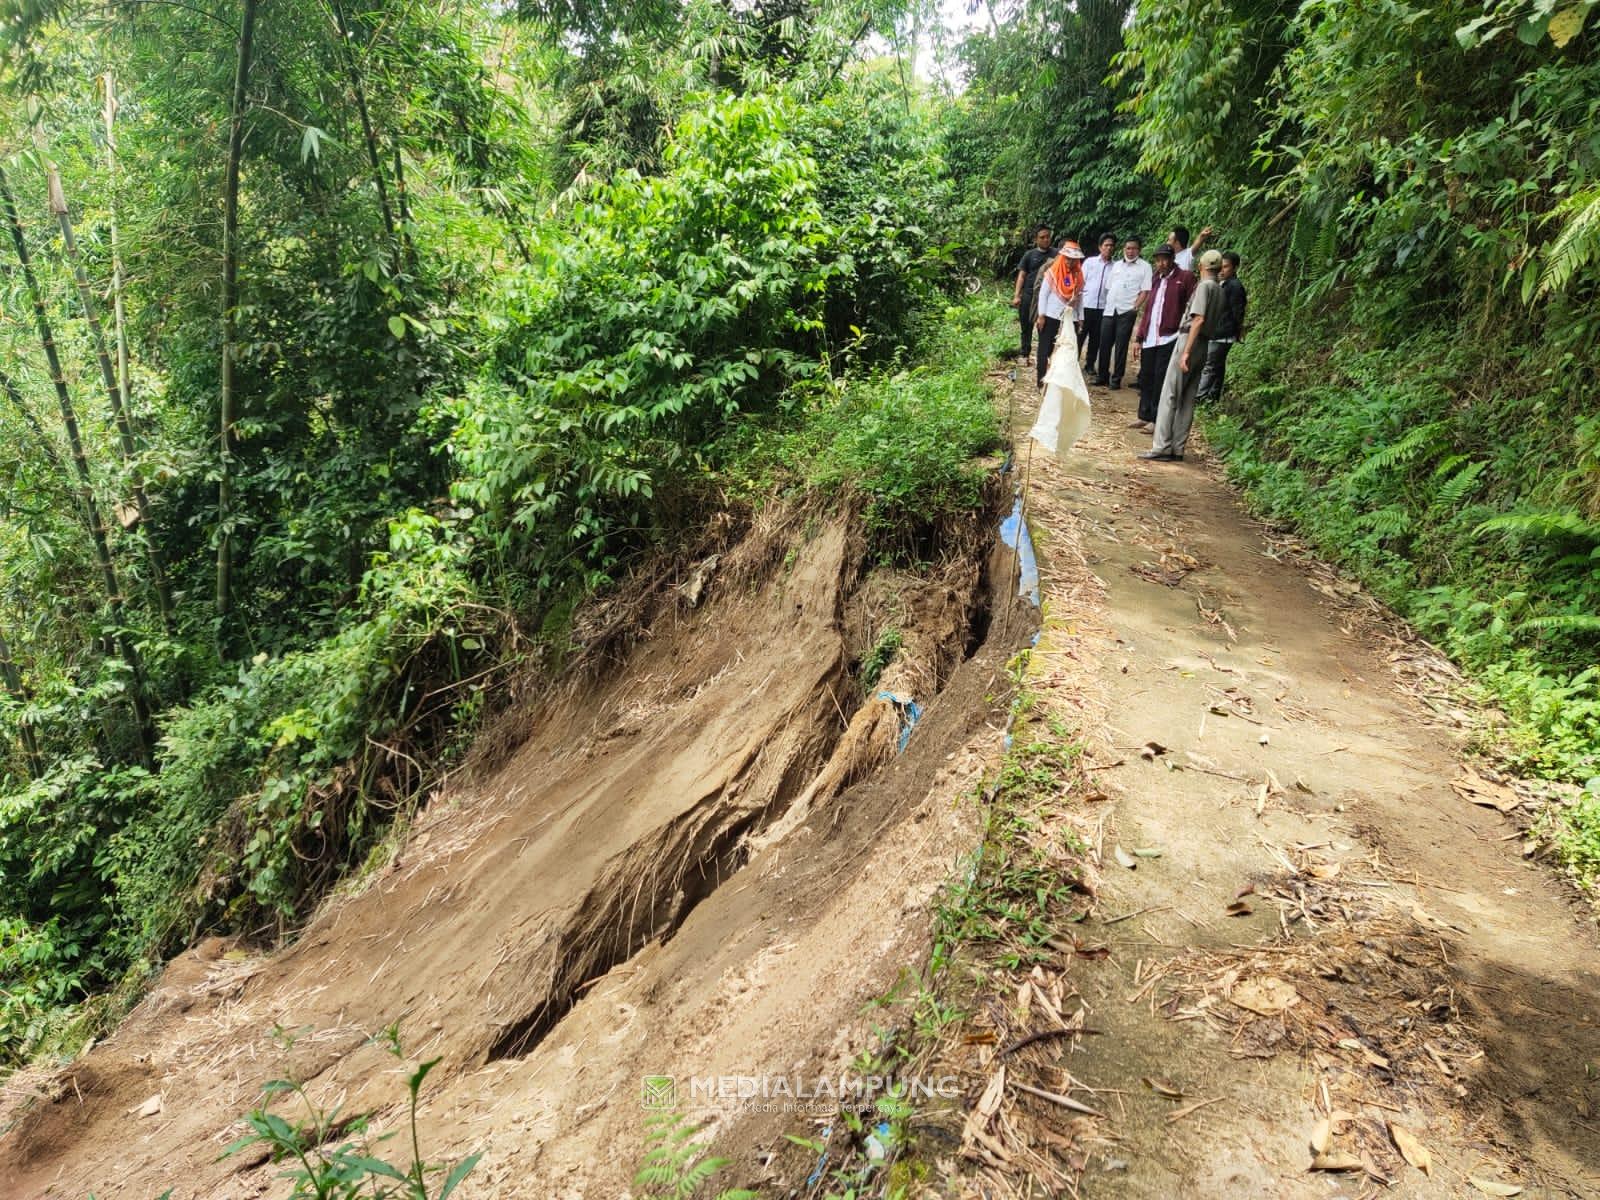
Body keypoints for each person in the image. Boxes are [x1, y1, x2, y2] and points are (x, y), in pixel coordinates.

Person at [1141, 249, 1223, 462]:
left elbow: (1198, 319)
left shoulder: (1204, 287)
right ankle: (1178, 447)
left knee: (1170, 394)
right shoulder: (1219, 288)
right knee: (1187, 398)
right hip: (1204, 343)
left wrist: (1185, 351)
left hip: (1189, 340)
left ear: (1202, 267)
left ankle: (1162, 446)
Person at [1130, 245, 1195, 433]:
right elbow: (1148, 310)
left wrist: (1185, 331)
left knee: (1161, 378)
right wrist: (1139, 336)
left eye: (1165, 259)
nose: (1162, 263)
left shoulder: (1184, 278)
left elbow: (1192, 305)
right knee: (1146, 375)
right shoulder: (1155, 280)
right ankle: (1144, 415)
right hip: (1151, 336)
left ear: (1173, 258)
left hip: (1170, 336)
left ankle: (1157, 419)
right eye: (1158, 260)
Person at [1093, 237, 1151, 391]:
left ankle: (1116, 378)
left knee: (1121, 346)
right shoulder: (1117, 265)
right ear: (1124, 249)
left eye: (1134, 248)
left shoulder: (1145, 267)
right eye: (1128, 248)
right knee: (1104, 343)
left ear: (1139, 250)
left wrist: (1135, 307)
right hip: (1110, 309)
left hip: (1127, 311)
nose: (1130, 251)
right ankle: (1102, 375)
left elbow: (1145, 291)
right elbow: (1109, 287)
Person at [1033, 239, 1085, 389]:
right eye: (1068, 258)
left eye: (1074, 259)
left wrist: (1081, 318)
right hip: (1050, 316)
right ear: (1062, 257)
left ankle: (1060, 383)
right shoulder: (1052, 273)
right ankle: (1042, 382)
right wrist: (1041, 315)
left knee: (1066, 351)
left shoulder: (1079, 276)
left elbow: (1080, 298)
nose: (1070, 262)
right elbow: (1043, 295)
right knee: (1045, 349)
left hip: (1070, 318)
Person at [1197, 251, 1247, 403]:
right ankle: (1212, 397)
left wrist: (1236, 331)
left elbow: (1237, 311)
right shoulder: (1223, 283)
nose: (1222, 270)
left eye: (1226, 267)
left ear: (1235, 268)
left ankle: (1198, 397)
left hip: (1223, 333)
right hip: (1218, 332)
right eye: (1221, 267)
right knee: (1217, 366)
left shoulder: (1235, 286)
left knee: (1210, 365)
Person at [1010, 225, 1054, 362]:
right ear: (1036, 239)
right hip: (1029, 295)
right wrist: (1017, 295)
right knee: (1026, 326)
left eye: (1048, 237)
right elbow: (1022, 275)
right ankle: (1025, 354)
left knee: (1047, 327)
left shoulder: (1056, 254)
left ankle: (1046, 355)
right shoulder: (1029, 255)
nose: (1046, 240)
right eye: (1042, 237)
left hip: (1049, 297)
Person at [1079, 233, 1116, 372]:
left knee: (1096, 338)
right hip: (1086, 305)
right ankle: (1073, 363)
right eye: (1106, 245)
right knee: (1080, 336)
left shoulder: (1116, 266)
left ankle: (1089, 364)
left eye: (1112, 245)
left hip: (1102, 307)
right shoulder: (1090, 262)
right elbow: (1081, 282)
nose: (1109, 248)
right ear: (1100, 247)